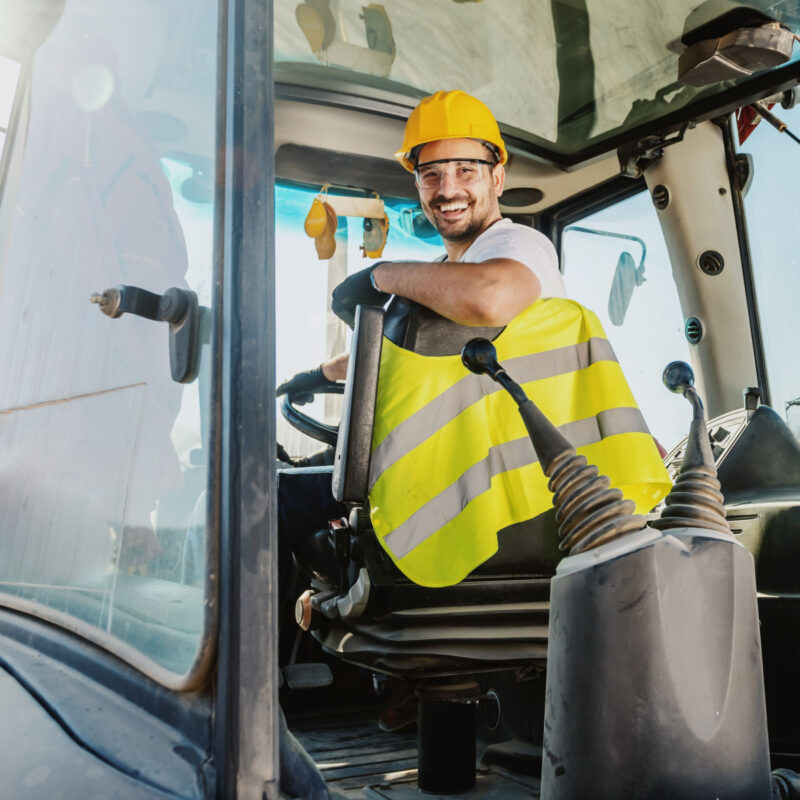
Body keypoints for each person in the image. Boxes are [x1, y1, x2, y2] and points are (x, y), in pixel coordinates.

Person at [277, 90, 670, 728]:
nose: (447, 188)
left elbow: (492, 301)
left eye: (465, 171)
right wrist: (313, 375)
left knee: (265, 499)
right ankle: (405, 681)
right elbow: (409, 352)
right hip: (480, 486)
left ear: (497, 177)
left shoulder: (516, 249)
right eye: (431, 175)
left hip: (466, 487)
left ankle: (243, 710)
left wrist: (381, 276)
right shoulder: (451, 271)